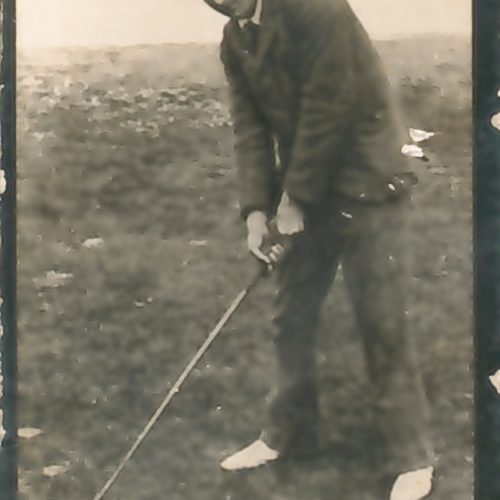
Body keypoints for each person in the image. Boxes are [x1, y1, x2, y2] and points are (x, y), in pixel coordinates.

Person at [203, 0, 436, 498]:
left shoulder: (317, 9)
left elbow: (327, 107)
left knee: (380, 318)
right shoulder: (236, 36)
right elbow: (250, 128)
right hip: (311, 185)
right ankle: (288, 434)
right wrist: (256, 212)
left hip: (371, 180)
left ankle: (412, 455)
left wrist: (295, 200)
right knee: (291, 313)